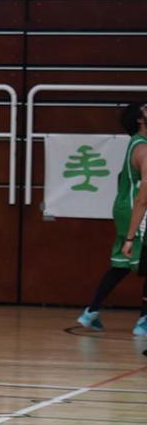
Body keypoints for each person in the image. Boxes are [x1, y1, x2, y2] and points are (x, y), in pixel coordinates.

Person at [77, 101, 147, 337]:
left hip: (125, 206)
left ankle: (91, 311)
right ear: (140, 119)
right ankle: (144, 321)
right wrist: (131, 235)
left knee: (121, 265)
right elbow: (143, 197)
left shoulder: (136, 142)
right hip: (137, 209)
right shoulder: (143, 149)